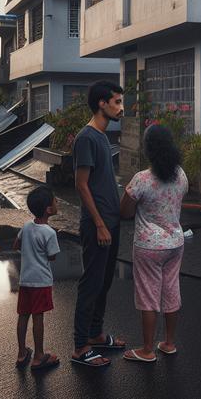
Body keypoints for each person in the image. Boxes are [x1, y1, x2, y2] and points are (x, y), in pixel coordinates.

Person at [119, 124, 187, 363]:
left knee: (148, 295)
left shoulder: (142, 179)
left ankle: (147, 350)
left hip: (148, 246)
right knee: (171, 290)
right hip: (175, 242)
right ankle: (168, 343)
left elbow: (125, 212)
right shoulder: (180, 174)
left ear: (148, 149)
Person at [71, 81, 127, 367]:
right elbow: (81, 186)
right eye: (116, 101)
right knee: (91, 284)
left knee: (104, 283)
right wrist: (100, 224)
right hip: (97, 226)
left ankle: (95, 334)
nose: (121, 107)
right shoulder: (87, 138)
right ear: (102, 104)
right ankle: (80, 347)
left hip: (111, 222)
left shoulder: (104, 137)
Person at [14, 186, 61, 371]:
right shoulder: (49, 233)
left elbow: (16, 244)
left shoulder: (26, 226)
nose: (57, 203)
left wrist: (29, 251)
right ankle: (39, 356)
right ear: (49, 210)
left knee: (23, 315)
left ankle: (21, 353)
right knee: (38, 317)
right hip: (41, 281)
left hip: (25, 279)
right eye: (55, 201)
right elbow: (52, 256)